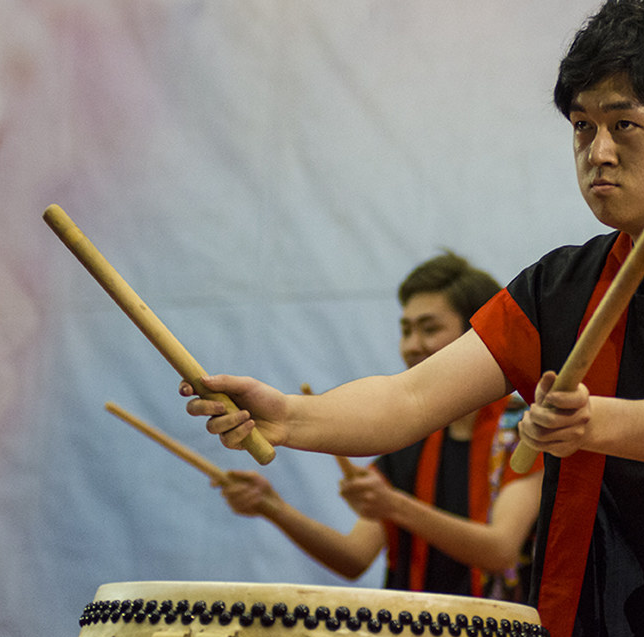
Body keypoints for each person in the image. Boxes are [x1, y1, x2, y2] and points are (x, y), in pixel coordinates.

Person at [183, 0, 644, 637]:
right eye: (582, 126)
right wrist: (291, 417)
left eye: (626, 125)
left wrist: (589, 424)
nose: (598, 151)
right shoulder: (561, 287)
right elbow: (410, 401)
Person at [216, 251, 542, 602]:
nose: (412, 346)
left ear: (475, 337)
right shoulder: (407, 434)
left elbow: (501, 550)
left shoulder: (525, 426)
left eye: (429, 329)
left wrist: (396, 507)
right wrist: (272, 506)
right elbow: (354, 556)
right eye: (406, 331)